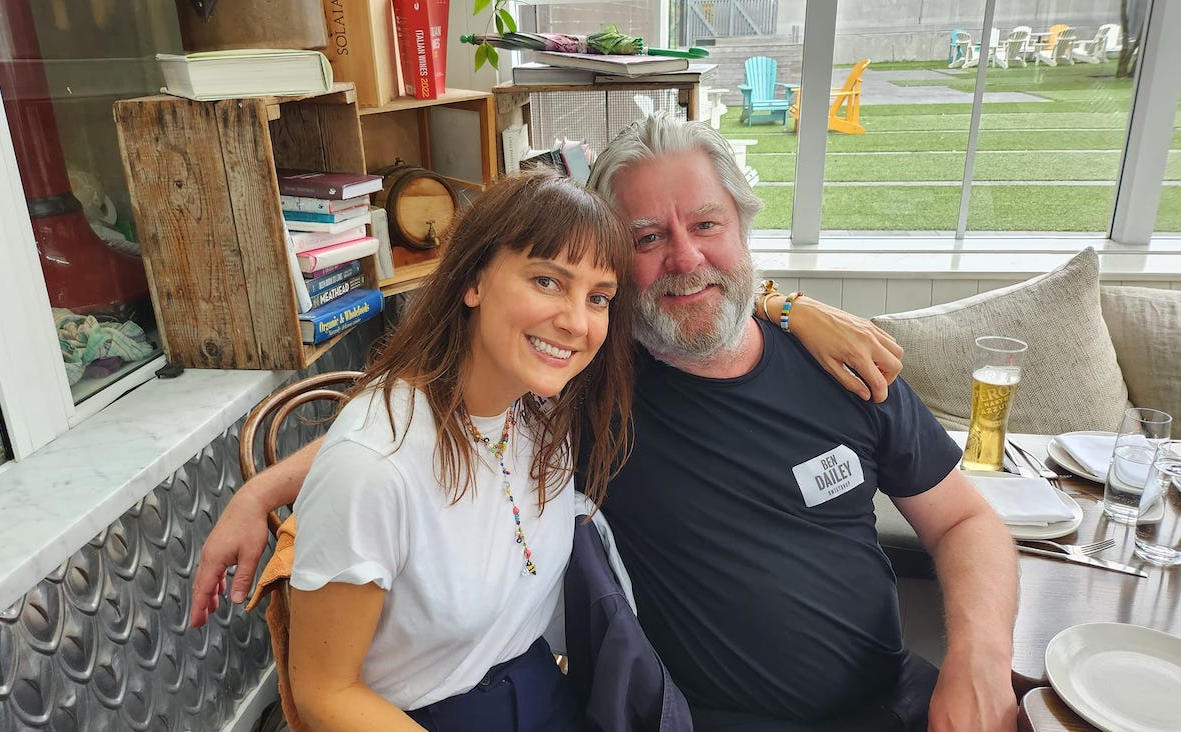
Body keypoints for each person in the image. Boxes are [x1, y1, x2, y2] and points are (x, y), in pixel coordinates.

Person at [193, 115, 1019, 731]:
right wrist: (263, 490)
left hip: (905, 700)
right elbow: (428, 427)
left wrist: (978, 658)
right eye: (648, 239)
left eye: (706, 225)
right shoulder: (592, 383)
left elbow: (967, 519)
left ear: (743, 226)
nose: (686, 259)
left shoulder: (847, 370)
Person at [274, 169, 636, 730]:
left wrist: (786, 309)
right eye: (547, 281)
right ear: (473, 281)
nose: (576, 322)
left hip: (545, 691)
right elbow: (325, 693)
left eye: (599, 297)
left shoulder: (538, 410)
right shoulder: (372, 465)